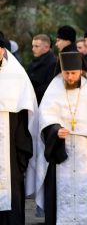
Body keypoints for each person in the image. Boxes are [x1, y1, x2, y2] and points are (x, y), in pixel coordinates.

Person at [35, 52, 87, 225]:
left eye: (74, 73)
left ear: (81, 70)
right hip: (60, 153)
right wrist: (55, 130)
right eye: (67, 73)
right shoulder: (54, 88)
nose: (70, 77)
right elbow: (44, 119)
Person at [0, 37, 38, 224]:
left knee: (12, 191)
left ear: (2, 50)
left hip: (10, 146)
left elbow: (27, 115)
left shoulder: (17, 75)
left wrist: (22, 151)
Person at [27, 34, 57, 104]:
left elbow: (51, 85)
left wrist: (33, 91)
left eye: (36, 46)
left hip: (44, 103)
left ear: (46, 47)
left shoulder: (53, 63)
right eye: (33, 46)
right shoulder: (34, 61)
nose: (33, 49)